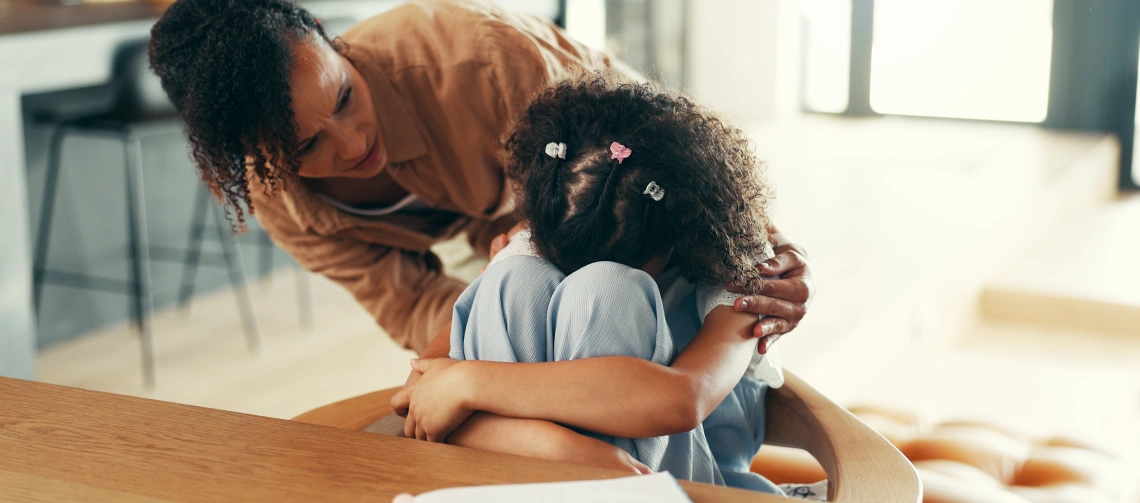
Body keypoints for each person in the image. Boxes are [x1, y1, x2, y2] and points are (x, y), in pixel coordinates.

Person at [148, 0, 814, 383]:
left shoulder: (476, 57)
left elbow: (655, 148)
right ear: (258, 158)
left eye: (345, 97)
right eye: (307, 148)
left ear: (332, 41)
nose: (351, 144)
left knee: (635, 316)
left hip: (620, 184)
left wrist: (760, 245)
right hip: (500, 230)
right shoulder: (286, 206)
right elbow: (414, 308)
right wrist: (506, 363)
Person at [393, 77, 789, 493]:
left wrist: (468, 383)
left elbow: (683, 399)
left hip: (677, 483)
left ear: (673, 237)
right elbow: (416, 398)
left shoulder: (734, 266)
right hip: (556, 471)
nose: (575, 272)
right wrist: (555, 446)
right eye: (564, 262)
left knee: (607, 290)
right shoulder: (548, 233)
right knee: (513, 278)